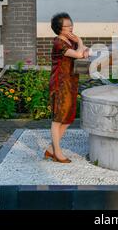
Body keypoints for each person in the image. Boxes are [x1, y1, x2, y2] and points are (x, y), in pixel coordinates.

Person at [44, 12, 90, 163]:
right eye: (67, 26)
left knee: (69, 117)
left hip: (71, 82)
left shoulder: (70, 41)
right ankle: (57, 152)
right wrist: (81, 42)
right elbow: (78, 54)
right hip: (60, 83)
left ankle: (51, 149)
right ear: (59, 28)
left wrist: (82, 47)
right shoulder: (59, 43)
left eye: (71, 25)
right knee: (58, 118)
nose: (71, 28)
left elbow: (84, 52)